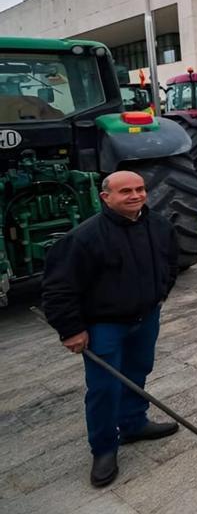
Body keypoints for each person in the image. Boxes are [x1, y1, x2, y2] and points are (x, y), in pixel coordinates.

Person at [40, 171, 182, 487]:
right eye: (126, 191)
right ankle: (104, 447)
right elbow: (58, 289)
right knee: (104, 387)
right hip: (105, 326)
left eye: (140, 189)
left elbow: (172, 263)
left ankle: (133, 423)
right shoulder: (84, 238)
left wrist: (159, 294)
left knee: (138, 372)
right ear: (106, 197)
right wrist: (71, 330)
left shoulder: (159, 226)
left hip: (146, 318)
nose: (136, 196)